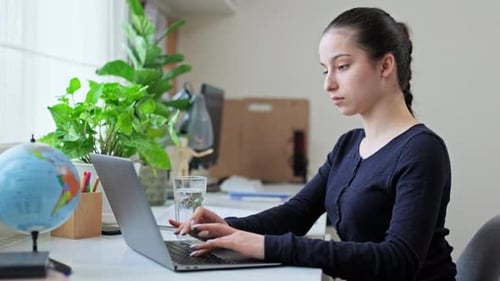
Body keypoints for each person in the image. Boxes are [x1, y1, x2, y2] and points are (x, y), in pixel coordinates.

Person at [169, 7, 456, 281]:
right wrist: (226, 227)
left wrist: (263, 245)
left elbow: (399, 261)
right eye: (325, 70)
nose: (328, 84)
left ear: (385, 65)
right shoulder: (349, 145)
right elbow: (298, 213)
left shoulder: (422, 151)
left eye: (342, 66)